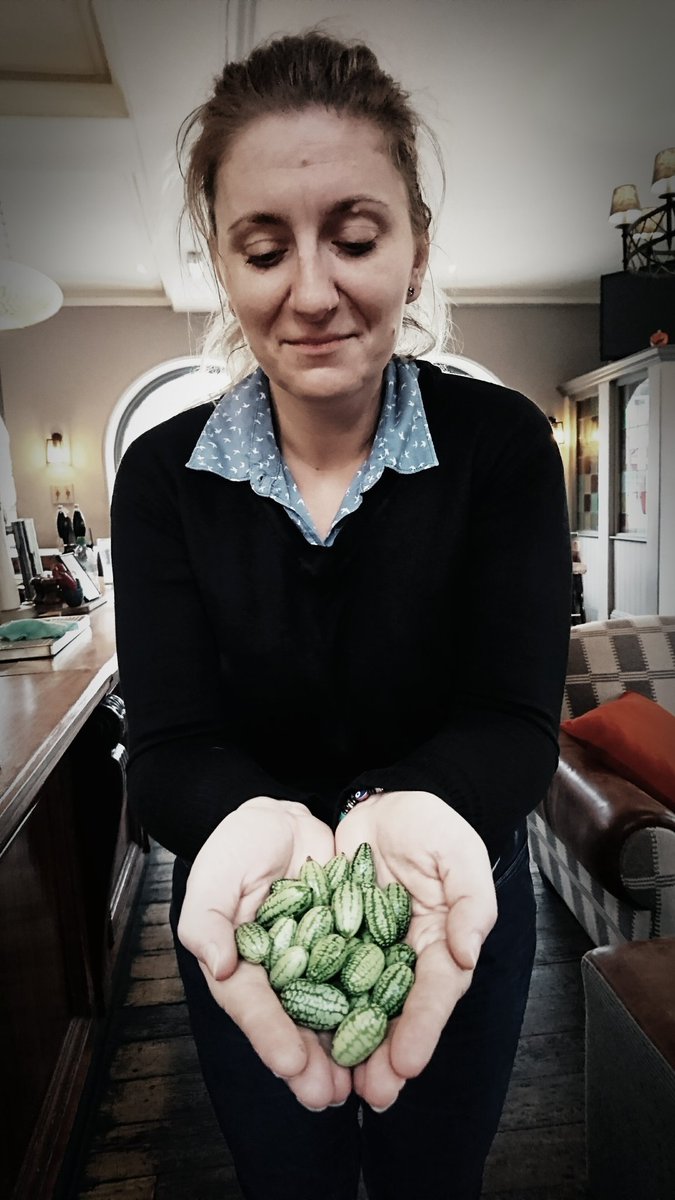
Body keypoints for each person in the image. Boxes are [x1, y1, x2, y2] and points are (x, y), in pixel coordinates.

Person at [111, 31, 571, 1200]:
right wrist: (258, 827)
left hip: (453, 894)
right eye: (263, 249)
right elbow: (168, 753)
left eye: (355, 238)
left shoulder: (504, 447)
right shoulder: (164, 476)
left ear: (414, 251)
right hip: (248, 918)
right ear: (221, 264)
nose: (311, 290)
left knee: (436, 1178)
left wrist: (402, 812)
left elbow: (515, 722)